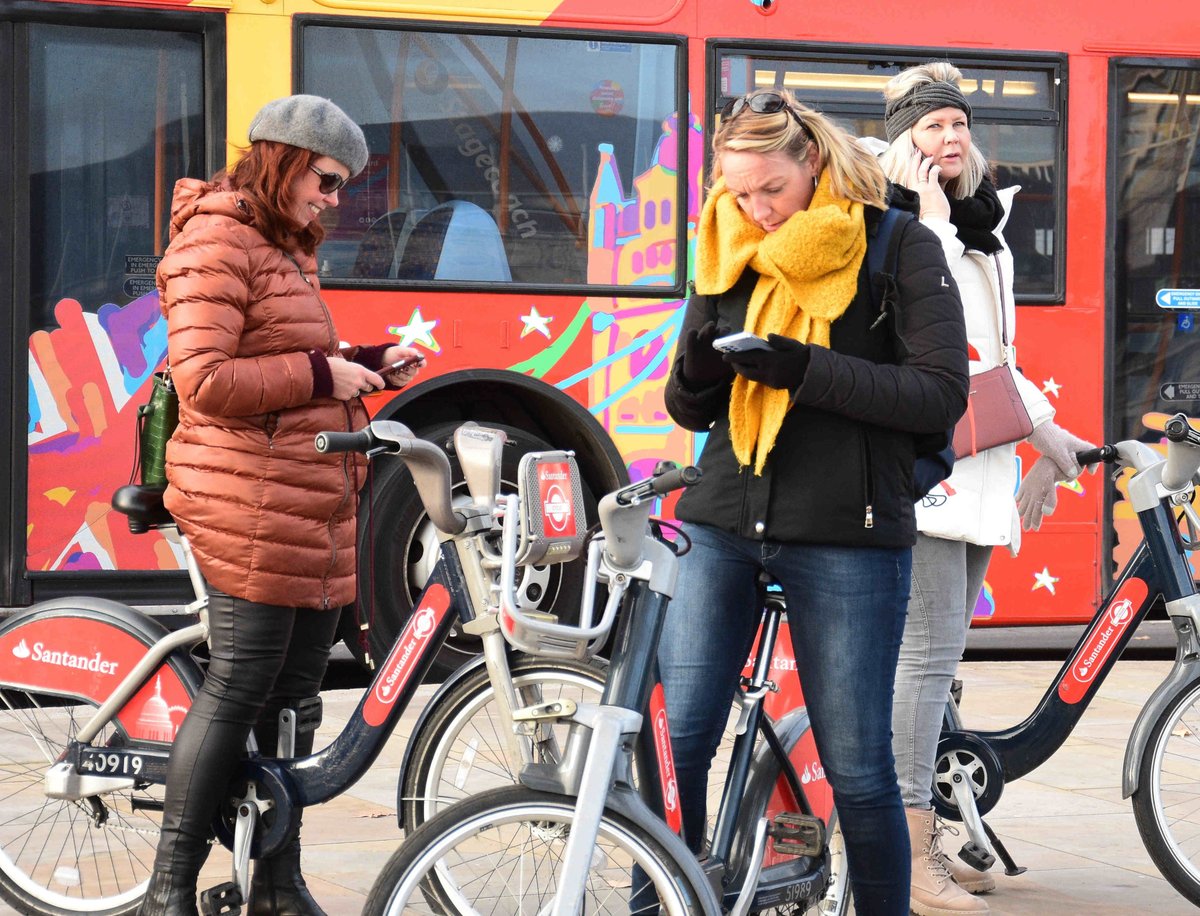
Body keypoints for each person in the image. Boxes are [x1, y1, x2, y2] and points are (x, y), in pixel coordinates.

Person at [658, 88, 968, 915]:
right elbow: (689, 413)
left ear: (814, 167)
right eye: (738, 191)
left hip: (847, 535)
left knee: (859, 766)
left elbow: (939, 397)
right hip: (721, 520)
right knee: (674, 743)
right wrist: (696, 369)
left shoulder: (896, 245)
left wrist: (803, 369)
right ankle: (654, 903)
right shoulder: (725, 246)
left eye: (772, 190)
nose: (755, 210)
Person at [141, 94, 425, 916]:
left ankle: (277, 880)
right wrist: (319, 376)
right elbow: (206, 380)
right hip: (245, 502)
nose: (335, 201)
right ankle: (167, 891)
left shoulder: (281, 246)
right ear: (284, 160)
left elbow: (283, 351)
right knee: (240, 686)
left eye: (343, 188)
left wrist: (365, 361)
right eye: (329, 182)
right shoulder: (216, 239)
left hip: (301, 506)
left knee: (298, 697)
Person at [879, 62, 1095, 916]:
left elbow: (997, 360)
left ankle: (916, 834)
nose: (952, 137)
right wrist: (1045, 432)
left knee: (939, 663)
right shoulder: (902, 230)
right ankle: (903, 856)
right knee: (923, 662)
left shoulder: (982, 231)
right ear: (903, 145)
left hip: (977, 469)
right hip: (929, 471)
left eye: (961, 124)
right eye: (932, 128)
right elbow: (958, 353)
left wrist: (1043, 440)